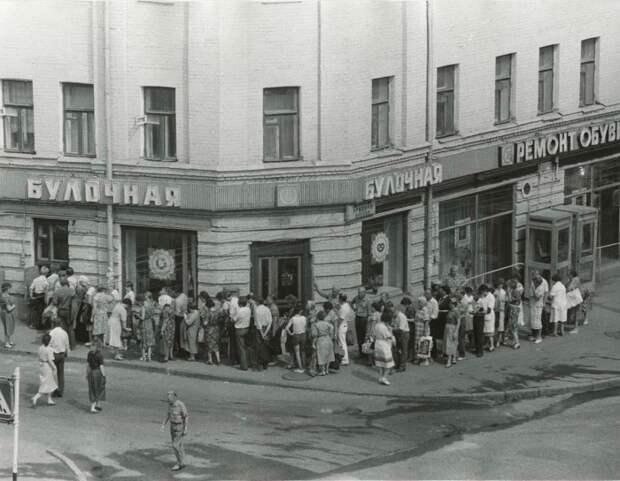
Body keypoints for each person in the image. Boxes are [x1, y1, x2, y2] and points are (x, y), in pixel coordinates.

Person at [161, 391, 188, 471]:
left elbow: (186, 416)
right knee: (179, 445)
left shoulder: (180, 404)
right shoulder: (170, 405)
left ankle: (179, 464)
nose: (168, 400)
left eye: (169, 398)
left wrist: (186, 428)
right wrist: (163, 425)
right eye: (167, 398)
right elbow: (168, 415)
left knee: (175, 445)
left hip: (180, 426)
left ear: (174, 397)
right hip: (172, 426)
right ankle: (183, 461)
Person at [31, 333, 58, 407]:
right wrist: (54, 367)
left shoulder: (40, 348)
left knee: (49, 383)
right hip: (47, 367)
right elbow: (50, 360)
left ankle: (49, 399)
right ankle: (35, 398)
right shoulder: (49, 350)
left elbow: (39, 356)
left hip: (41, 366)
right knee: (47, 384)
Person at [372, 311, 395, 386]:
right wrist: (390, 331)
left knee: (380, 362)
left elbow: (374, 334)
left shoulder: (377, 325)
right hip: (384, 344)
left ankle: (381, 376)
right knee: (388, 363)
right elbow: (388, 336)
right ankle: (384, 377)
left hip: (377, 343)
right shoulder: (384, 327)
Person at [49, 318, 70, 397]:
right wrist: (67, 353)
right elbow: (67, 344)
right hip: (62, 354)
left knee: (53, 372)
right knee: (61, 373)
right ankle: (61, 390)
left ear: (53, 324)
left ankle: (54, 389)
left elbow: (49, 345)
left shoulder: (51, 333)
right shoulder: (64, 333)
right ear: (60, 324)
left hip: (54, 354)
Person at [53, 278, 75, 349]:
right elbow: (75, 301)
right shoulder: (71, 291)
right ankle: (72, 345)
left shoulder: (57, 291)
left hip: (61, 310)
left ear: (60, 284)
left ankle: (63, 345)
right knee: (70, 328)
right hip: (69, 310)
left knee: (62, 328)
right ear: (67, 283)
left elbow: (55, 302)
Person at [285, 302, 307, 373]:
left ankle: (300, 368)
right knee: (303, 351)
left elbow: (286, 328)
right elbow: (305, 327)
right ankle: (304, 366)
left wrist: (291, 333)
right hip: (303, 335)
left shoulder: (293, 318)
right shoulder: (304, 318)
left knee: (297, 352)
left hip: (296, 335)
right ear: (300, 311)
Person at [311, 310, 334, 376]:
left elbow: (314, 335)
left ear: (318, 317)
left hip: (320, 340)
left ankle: (322, 371)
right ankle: (327, 370)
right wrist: (330, 335)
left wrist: (313, 343)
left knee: (321, 356)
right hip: (328, 339)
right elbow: (332, 328)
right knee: (328, 355)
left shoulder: (316, 325)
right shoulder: (327, 323)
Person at [86, 340, 106, 413]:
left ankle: (98, 404)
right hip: (97, 373)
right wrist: (104, 375)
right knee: (98, 389)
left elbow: (88, 365)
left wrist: (87, 374)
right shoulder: (99, 355)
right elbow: (101, 366)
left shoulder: (89, 354)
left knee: (92, 388)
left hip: (91, 372)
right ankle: (93, 407)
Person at [352, 287, 371, 358]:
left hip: (364, 318)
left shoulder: (368, 300)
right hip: (357, 317)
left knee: (364, 336)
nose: (359, 294)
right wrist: (354, 308)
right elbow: (352, 302)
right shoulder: (356, 298)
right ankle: (360, 353)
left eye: (360, 292)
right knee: (358, 336)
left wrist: (368, 322)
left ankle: (365, 353)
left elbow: (369, 312)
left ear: (364, 293)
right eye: (358, 292)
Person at [254, 297, 273, 370]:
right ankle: (266, 364)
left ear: (257, 302)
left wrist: (262, 333)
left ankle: (260, 364)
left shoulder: (257, 310)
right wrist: (266, 332)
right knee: (266, 346)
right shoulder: (267, 309)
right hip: (266, 328)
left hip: (259, 330)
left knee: (259, 347)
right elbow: (270, 322)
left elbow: (258, 323)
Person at [233, 297, 251, 370]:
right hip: (246, 328)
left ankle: (244, 365)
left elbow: (234, 319)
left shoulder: (239, 311)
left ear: (239, 303)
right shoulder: (248, 309)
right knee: (246, 347)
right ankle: (248, 362)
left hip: (239, 329)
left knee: (241, 348)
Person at [29, 265, 49, 330]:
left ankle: (33, 324)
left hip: (36, 296)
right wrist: (46, 300)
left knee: (35, 311)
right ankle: (40, 326)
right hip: (42, 297)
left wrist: (31, 295)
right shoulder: (46, 281)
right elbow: (46, 292)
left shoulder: (35, 279)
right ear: (46, 273)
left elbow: (31, 288)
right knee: (41, 312)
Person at [202, 297, 221, 365]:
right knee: (216, 344)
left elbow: (205, 323)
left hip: (209, 330)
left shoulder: (208, 313)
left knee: (209, 345)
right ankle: (218, 359)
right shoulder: (218, 312)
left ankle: (210, 360)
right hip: (216, 329)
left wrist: (203, 321)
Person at [506, 278, 524, 349]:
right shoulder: (515, 291)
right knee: (513, 325)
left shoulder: (514, 291)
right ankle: (515, 341)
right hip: (514, 309)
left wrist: (509, 294)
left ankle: (517, 342)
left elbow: (513, 299)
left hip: (514, 309)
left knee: (513, 326)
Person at [529, 273, 547, 344]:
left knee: (538, 321)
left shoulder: (541, 287)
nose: (533, 281)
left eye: (534, 280)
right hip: (532, 304)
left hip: (538, 305)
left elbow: (537, 298)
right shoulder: (533, 283)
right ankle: (534, 335)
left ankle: (539, 337)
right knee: (532, 320)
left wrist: (533, 290)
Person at [413, 297, 431, 366]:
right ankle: (419, 358)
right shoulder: (418, 309)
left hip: (423, 329)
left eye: (419, 302)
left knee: (424, 344)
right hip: (418, 329)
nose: (418, 303)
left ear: (423, 303)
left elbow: (426, 321)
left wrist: (425, 331)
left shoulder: (425, 309)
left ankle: (425, 360)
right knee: (418, 344)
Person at [336, 293, 354, 366]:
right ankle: (343, 358)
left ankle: (345, 359)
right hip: (344, 325)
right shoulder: (346, 305)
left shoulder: (344, 308)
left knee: (342, 343)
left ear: (340, 299)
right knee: (342, 342)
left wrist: (336, 327)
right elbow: (340, 308)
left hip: (341, 325)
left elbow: (340, 319)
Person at [392, 304, 410, 372]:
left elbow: (401, 328)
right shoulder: (394, 316)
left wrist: (392, 329)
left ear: (397, 311)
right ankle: (397, 364)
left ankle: (402, 366)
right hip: (397, 334)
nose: (392, 314)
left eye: (393, 312)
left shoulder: (401, 316)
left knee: (403, 351)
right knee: (396, 350)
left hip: (403, 334)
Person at [566, 269, 583, 334]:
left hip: (576, 299)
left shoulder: (575, 279)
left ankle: (576, 328)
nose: (568, 276)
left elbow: (569, 288)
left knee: (576, 312)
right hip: (575, 298)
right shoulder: (574, 279)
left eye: (568, 275)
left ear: (571, 274)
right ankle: (574, 326)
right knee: (575, 312)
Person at [444, 299, 459, 367]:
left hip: (452, 328)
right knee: (450, 342)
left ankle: (449, 360)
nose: (450, 304)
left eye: (451, 303)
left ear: (454, 304)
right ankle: (454, 357)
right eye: (450, 303)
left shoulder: (456, 311)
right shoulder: (450, 311)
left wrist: (456, 331)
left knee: (450, 343)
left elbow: (458, 322)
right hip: (447, 327)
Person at [0, 282, 16, 348]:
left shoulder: (5, 295)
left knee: (9, 327)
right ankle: (6, 343)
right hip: (6, 313)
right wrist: (14, 306)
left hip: (6, 313)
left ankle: (9, 341)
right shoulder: (4, 297)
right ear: (7, 289)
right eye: (10, 288)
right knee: (7, 327)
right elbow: (9, 308)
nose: (10, 289)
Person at [174, 290, 188, 356]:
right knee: (184, 334)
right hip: (185, 316)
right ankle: (185, 349)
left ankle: (180, 350)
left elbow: (177, 312)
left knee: (178, 334)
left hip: (179, 317)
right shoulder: (185, 296)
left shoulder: (177, 300)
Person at [482, 286, 496, 351]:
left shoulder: (491, 297)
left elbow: (489, 309)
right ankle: (486, 344)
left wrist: (482, 312)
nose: (482, 294)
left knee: (490, 332)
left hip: (489, 315)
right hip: (485, 315)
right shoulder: (484, 296)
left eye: (483, 292)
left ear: (485, 291)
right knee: (485, 331)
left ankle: (492, 345)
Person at [494, 279, 507, 346]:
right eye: (499, 284)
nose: (500, 285)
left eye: (501, 284)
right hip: (496, 310)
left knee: (501, 326)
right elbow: (494, 300)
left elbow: (504, 301)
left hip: (501, 310)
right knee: (496, 325)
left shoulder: (503, 292)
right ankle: (496, 339)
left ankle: (500, 340)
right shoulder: (495, 291)